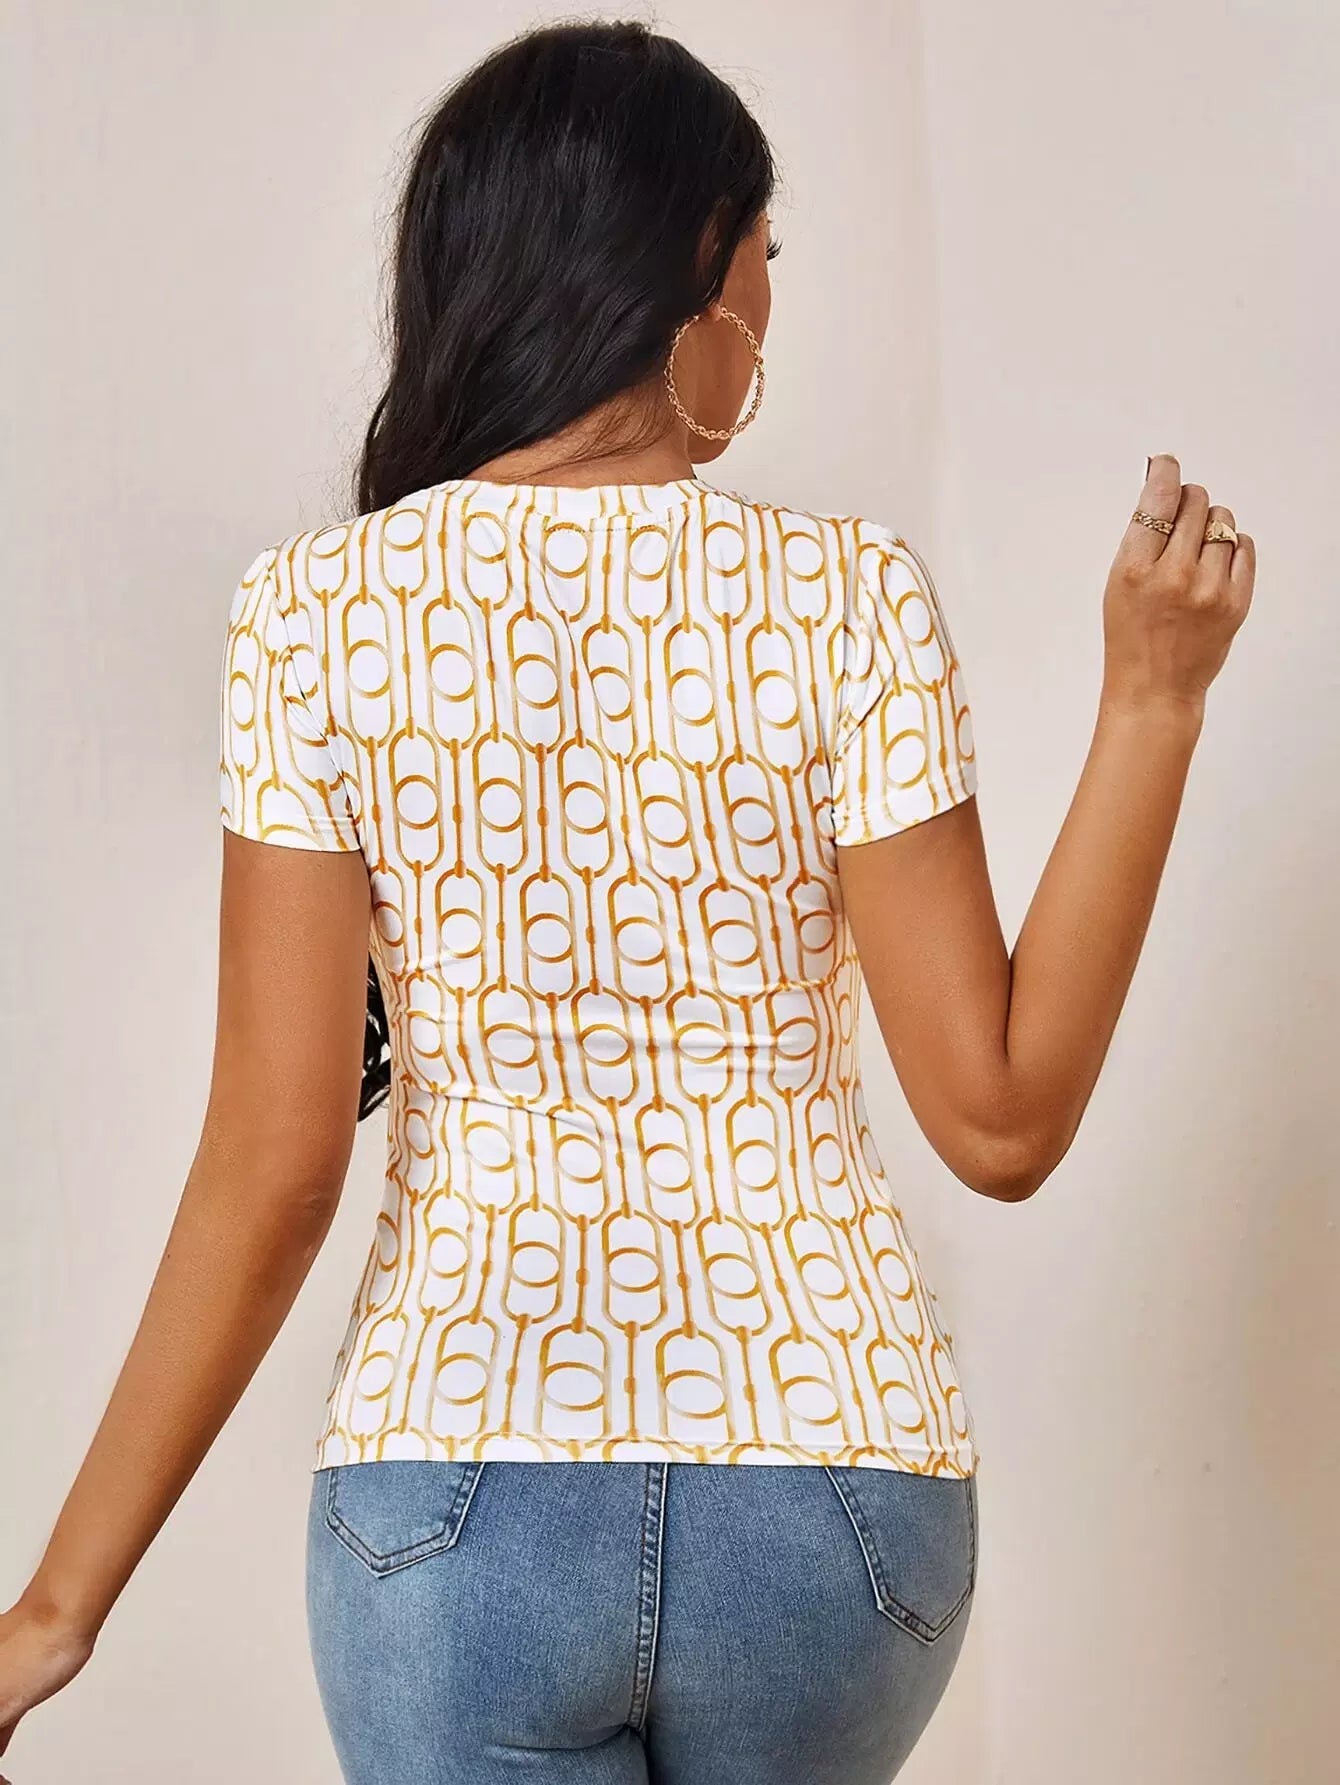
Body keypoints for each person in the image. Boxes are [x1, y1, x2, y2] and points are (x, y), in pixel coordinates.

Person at [0, 17, 1255, 1785]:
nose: (772, 313)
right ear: (692, 273)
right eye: (766, 259)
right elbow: (1002, 1117)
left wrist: (56, 1607)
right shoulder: (848, 597)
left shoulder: (316, 617)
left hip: (455, 1493)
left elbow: (278, 1162)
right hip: (836, 1499)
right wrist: (1155, 700)